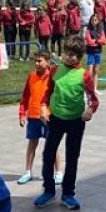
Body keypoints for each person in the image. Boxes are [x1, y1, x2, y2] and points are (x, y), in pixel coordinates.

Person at [35, 35, 99, 210]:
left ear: (80, 57)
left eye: (75, 55)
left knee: (72, 158)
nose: (70, 57)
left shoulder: (83, 75)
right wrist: (43, 107)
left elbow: (93, 99)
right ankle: (48, 191)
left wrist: (89, 110)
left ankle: (68, 194)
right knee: (48, 155)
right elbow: (47, 93)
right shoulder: (55, 71)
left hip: (76, 121)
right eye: (68, 53)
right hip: (56, 119)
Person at [17, 52, 61, 185]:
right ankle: (28, 171)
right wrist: (22, 114)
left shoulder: (53, 77)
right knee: (32, 143)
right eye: (35, 61)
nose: (36, 63)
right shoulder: (31, 76)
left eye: (40, 61)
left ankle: (58, 172)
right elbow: (25, 97)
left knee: (53, 144)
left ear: (48, 62)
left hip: (49, 116)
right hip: (33, 116)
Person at [83, 13, 106, 87]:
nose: (94, 21)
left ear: (98, 21)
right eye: (92, 20)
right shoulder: (88, 30)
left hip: (98, 52)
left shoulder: (101, 30)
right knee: (89, 72)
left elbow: (104, 41)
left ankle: (95, 88)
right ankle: (88, 88)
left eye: (95, 20)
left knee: (96, 71)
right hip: (90, 53)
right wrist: (98, 41)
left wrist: (96, 41)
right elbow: (90, 42)